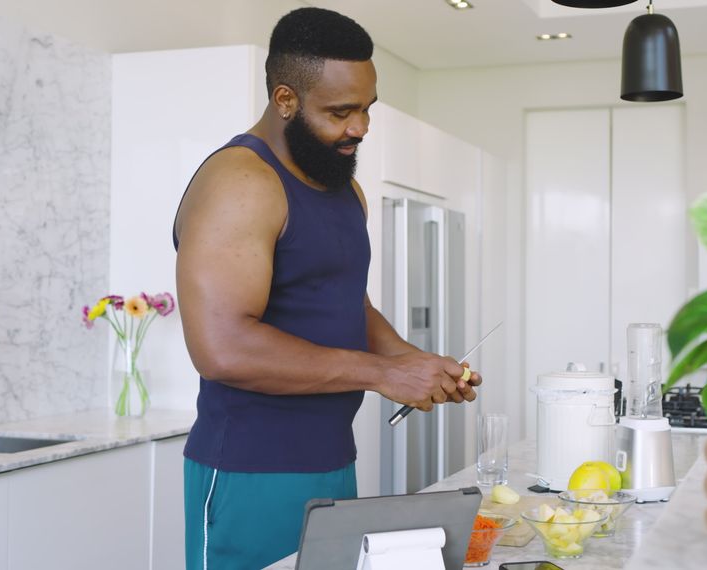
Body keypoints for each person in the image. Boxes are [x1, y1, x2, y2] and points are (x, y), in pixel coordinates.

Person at [172, 7, 481, 569]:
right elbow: (221, 348)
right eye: (341, 112)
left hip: (334, 460)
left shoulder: (345, 191)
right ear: (285, 100)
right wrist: (383, 373)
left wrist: (415, 364)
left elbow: (348, 304)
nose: (360, 127)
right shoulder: (241, 183)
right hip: (249, 469)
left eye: (366, 109)